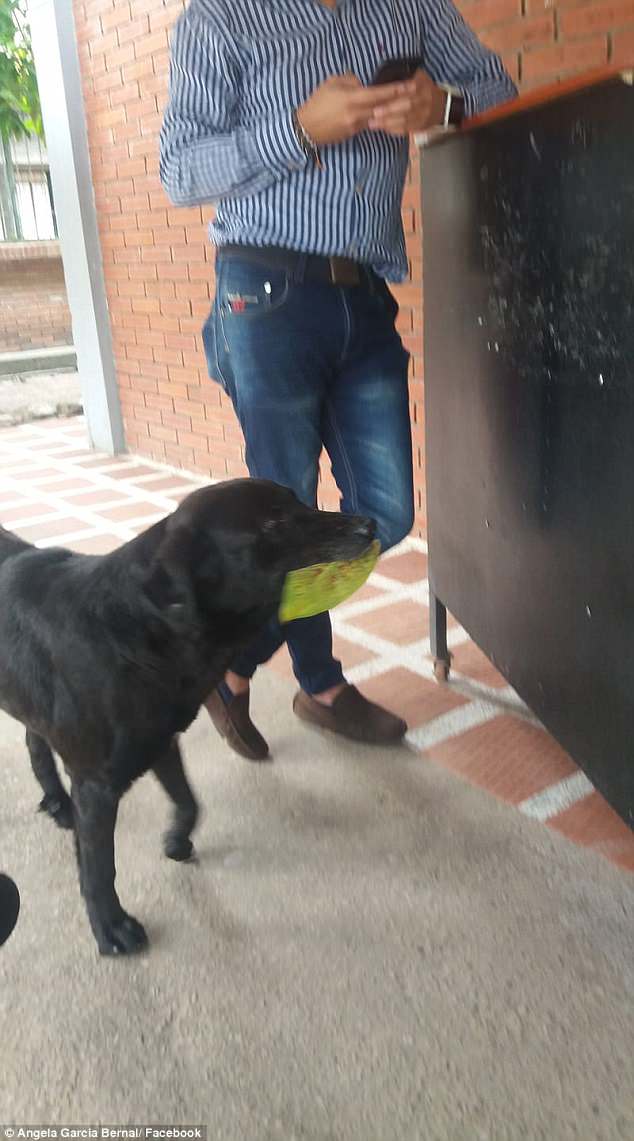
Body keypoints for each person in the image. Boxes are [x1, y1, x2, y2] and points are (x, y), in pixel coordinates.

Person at [160, 0, 516, 761]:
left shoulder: (409, 8)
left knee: (385, 511)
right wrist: (297, 130)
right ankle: (320, 684)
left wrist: (443, 106)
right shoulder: (222, 18)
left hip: (365, 292)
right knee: (283, 515)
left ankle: (230, 660)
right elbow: (179, 169)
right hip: (264, 291)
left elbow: (498, 91)